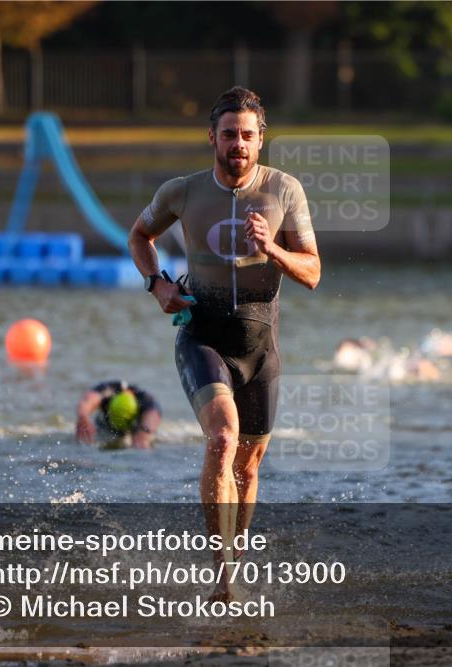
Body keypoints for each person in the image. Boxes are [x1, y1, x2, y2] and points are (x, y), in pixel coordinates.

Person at [128, 86, 321, 601]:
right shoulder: (182, 192)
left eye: (248, 135)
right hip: (203, 335)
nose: (239, 144)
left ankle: (235, 561)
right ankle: (223, 578)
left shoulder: (284, 191)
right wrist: (157, 285)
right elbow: (139, 237)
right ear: (212, 137)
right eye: (230, 134)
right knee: (222, 438)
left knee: (249, 467)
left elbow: (313, 273)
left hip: (260, 347)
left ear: (261, 140)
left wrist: (272, 248)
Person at [75, 381, 162, 449]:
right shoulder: (107, 391)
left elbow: (153, 414)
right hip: (104, 426)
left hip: (136, 426)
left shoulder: (146, 401)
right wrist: (83, 417)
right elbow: (88, 400)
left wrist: (143, 434)